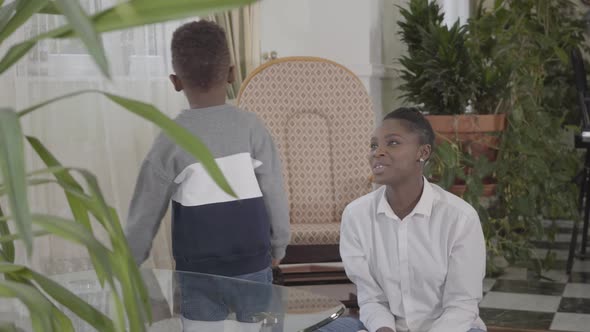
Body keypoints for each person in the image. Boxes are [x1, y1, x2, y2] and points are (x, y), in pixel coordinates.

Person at [124, 20, 290, 322]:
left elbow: (144, 211)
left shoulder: (169, 138)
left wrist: (130, 260)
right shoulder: (251, 127)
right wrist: (279, 243)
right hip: (252, 262)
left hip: (195, 270)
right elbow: (274, 190)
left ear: (175, 81)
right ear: (231, 74)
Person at [318, 107, 486, 332]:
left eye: (393, 143)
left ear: (423, 152)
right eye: (374, 145)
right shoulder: (356, 216)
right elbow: (371, 299)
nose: (378, 152)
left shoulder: (460, 218)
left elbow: (462, 305)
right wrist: (384, 330)